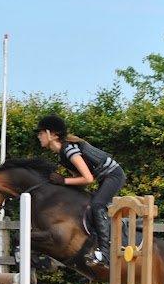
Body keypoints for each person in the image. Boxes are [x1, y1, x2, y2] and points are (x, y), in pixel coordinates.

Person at [35, 114, 126, 267]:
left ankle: (105, 253)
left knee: (97, 205)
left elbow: (88, 179)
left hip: (114, 175)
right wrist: (61, 184)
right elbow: (79, 179)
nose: (39, 136)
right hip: (104, 178)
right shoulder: (62, 154)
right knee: (86, 202)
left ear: (52, 134)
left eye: (41, 132)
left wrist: (63, 181)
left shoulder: (69, 150)